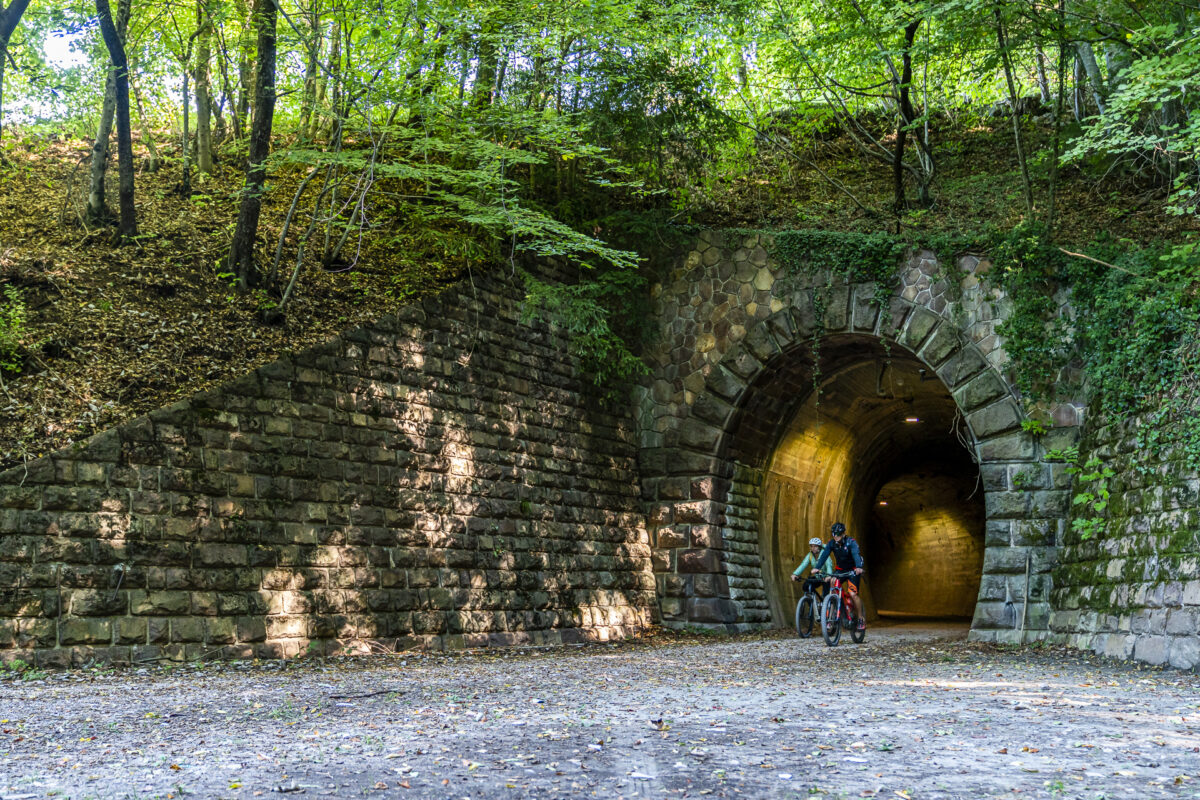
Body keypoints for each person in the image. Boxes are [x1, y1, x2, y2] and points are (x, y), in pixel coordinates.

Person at [814, 521, 865, 630]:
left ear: (843, 534)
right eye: (834, 534)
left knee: (853, 594)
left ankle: (861, 618)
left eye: (838, 534)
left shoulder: (851, 542)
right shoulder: (831, 543)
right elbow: (824, 555)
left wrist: (859, 567)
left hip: (853, 571)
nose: (836, 537)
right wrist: (817, 567)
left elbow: (856, 554)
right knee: (832, 585)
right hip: (840, 570)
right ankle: (831, 617)